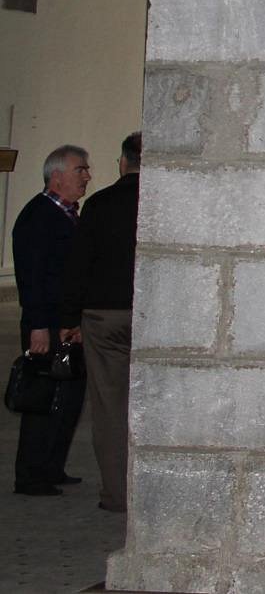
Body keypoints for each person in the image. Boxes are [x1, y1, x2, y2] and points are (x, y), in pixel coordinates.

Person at [62, 131, 140, 512]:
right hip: (149, 315)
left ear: (123, 163)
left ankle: (117, 494)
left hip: (104, 314)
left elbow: (80, 264)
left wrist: (68, 317)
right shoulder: (164, 201)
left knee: (109, 407)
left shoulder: (100, 204)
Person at [11, 145, 89, 496]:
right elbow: (32, 277)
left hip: (65, 323)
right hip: (47, 324)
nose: (87, 176)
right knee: (42, 398)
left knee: (67, 397)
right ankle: (31, 475)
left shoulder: (67, 214)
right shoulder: (39, 216)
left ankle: (52, 466)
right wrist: (38, 325)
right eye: (80, 170)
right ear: (57, 177)